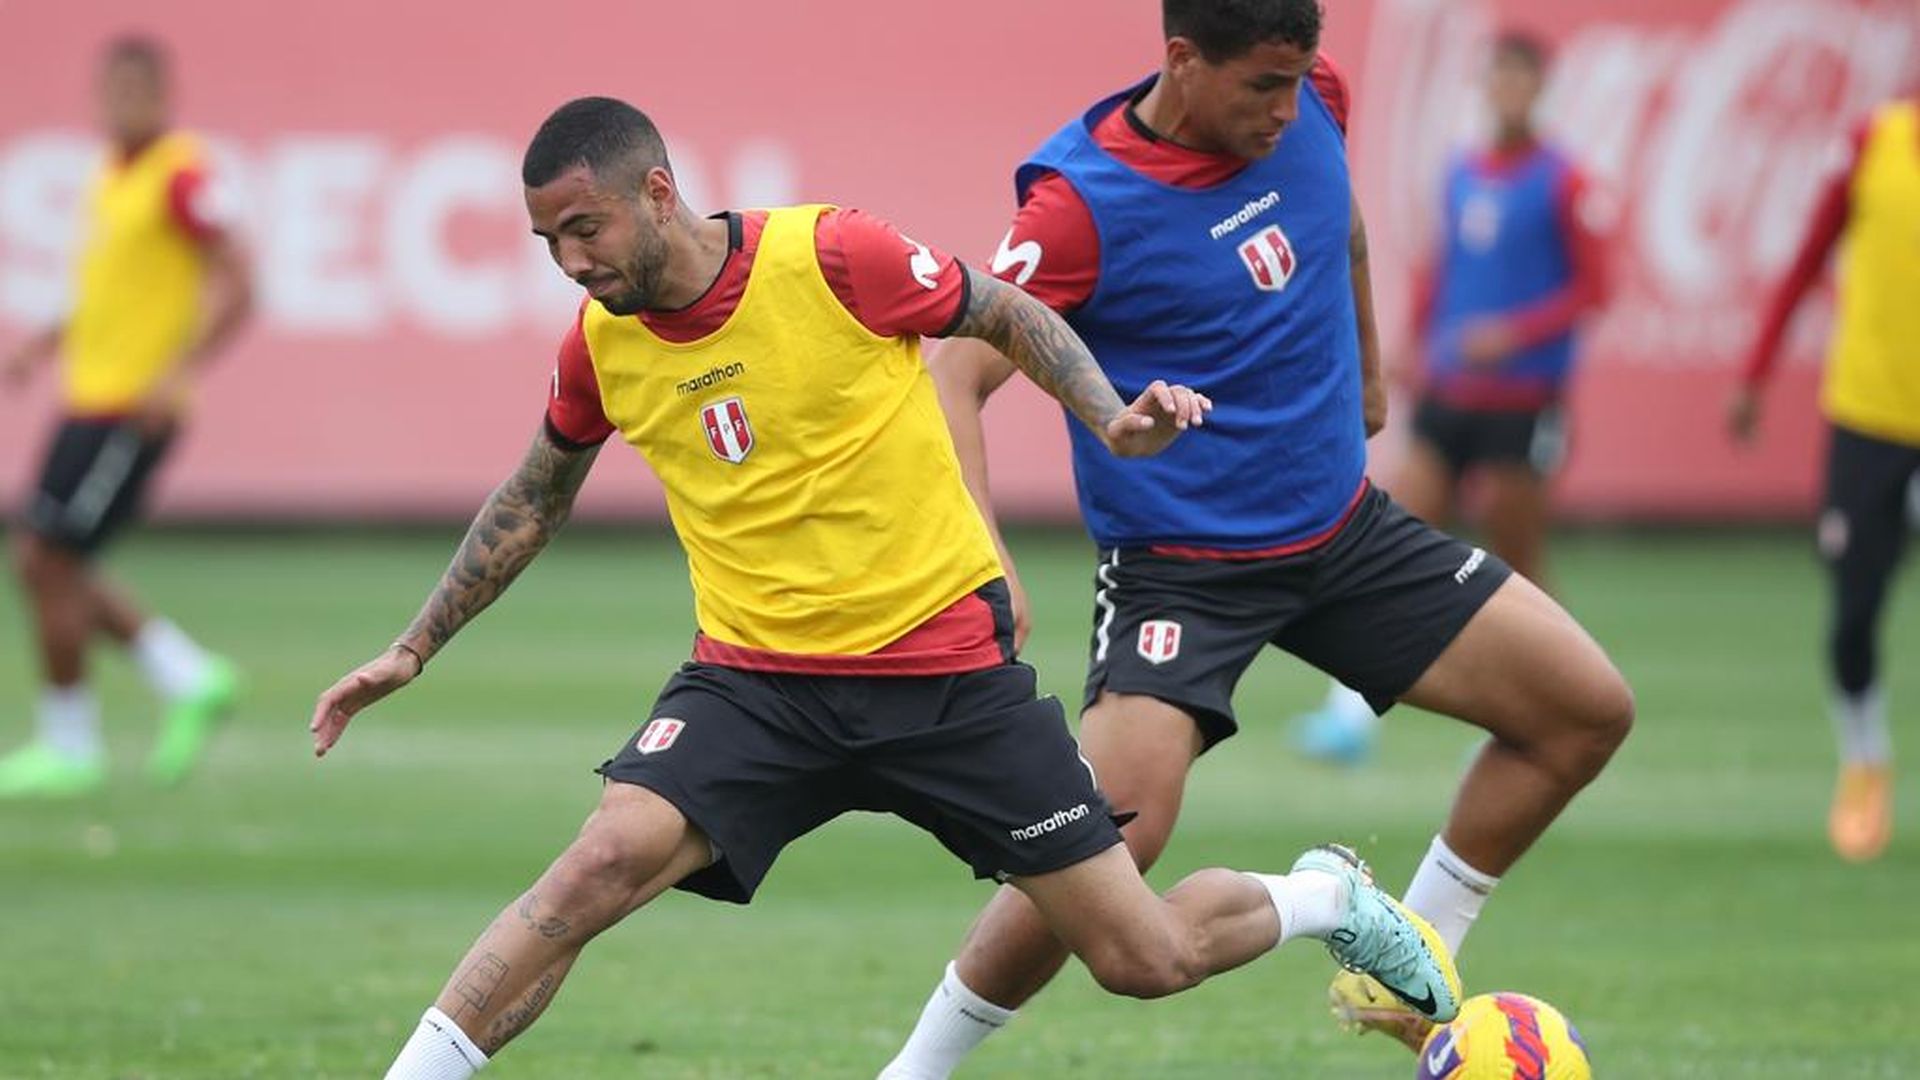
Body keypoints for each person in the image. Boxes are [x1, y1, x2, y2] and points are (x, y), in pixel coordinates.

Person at [311, 96, 1461, 1080]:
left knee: (1141, 960)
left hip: (946, 674)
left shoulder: (832, 255)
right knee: (599, 862)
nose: (570, 261)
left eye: (584, 227)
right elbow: (533, 496)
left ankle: (1324, 899)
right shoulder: (598, 344)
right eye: (546, 241)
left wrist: (1111, 416)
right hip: (754, 688)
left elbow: (1002, 313)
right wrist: (415, 646)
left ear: (656, 191)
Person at [877, 3, 1633, 1074]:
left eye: (1297, 79)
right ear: (1182, 62)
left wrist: (1371, 375)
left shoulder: (1313, 100)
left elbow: (1346, 228)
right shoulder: (1080, 206)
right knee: (1096, 857)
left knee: (1584, 710)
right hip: (1183, 577)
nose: (1286, 107)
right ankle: (917, 1071)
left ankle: (1404, 963)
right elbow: (952, 374)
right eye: (1261, 86)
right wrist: (985, 562)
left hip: (1346, 535)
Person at [1292, 28, 1610, 766]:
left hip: (1523, 396)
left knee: (1518, 550)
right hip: (1452, 391)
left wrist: (1515, 332)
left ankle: (1553, 700)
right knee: (1391, 530)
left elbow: (1594, 289)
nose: (1505, 92)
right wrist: (1412, 340)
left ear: (1540, 89)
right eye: (1496, 78)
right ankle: (1350, 718)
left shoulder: (1564, 181)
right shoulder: (1463, 171)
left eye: (1519, 79)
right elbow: (1443, 267)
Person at [0, 35, 249, 798]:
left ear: (162, 93)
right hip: (87, 400)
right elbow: (109, 290)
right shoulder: (110, 177)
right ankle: (186, 673)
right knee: (47, 559)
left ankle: (73, 743)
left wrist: (173, 374)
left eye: (138, 90)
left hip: (135, 410)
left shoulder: (180, 174)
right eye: (113, 89)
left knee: (48, 559)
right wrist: (44, 342)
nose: (123, 103)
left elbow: (239, 281)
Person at [1730, 86, 1920, 863]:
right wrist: (1755, 373)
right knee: (1851, 617)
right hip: (1870, 420)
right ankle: (1864, 759)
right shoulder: (1875, 142)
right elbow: (1807, 259)